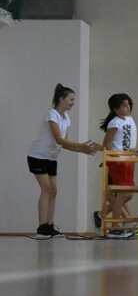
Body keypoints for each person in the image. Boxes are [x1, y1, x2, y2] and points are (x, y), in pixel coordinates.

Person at [27, 83, 99, 238]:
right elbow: (59, 139)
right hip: (38, 156)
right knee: (46, 189)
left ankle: (50, 226)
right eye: (71, 99)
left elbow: (65, 144)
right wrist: (81, 145)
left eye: (74, 100)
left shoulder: (66, 118)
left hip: (51, 157)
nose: (73, 103)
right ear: (61, 99)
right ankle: (42, 228)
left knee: (54, 190)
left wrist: (82, 150)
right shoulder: (52, 114)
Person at [98, 93, 138, 239]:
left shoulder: (129, 119)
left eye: (129, 105)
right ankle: (115, 227)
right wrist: (111, 158)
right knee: (123, 193)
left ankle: (101, 215)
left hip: (129, 160)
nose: (128, 108)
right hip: (118, 160)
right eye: (124, 105)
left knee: (129, 194)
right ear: (115, 109)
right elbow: (106, 144)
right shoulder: (114, 123)